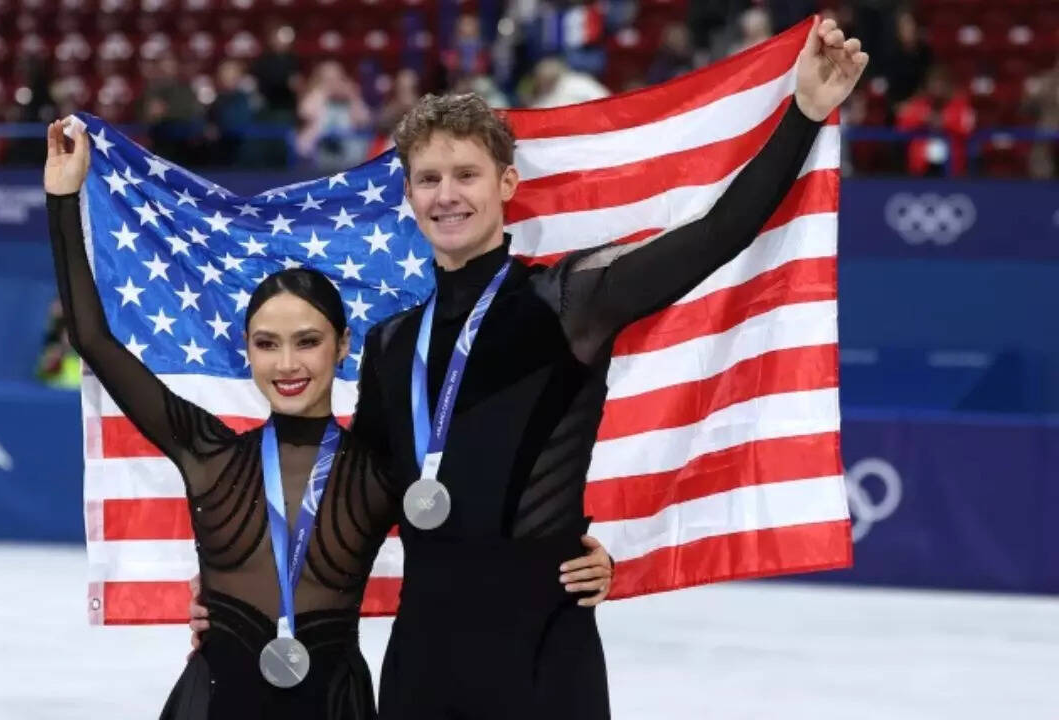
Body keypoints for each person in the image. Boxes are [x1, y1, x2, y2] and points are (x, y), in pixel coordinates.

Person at [340, 16, 863, 720]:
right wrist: (245, 604)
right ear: (408, 195)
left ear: (507, 182)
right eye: (428, 178)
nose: (446, 194)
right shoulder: (391, 346)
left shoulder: (569, 301)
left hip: (543, 650)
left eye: (466, 174)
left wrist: (802, 114)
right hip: (422, 657)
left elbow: (716, 235)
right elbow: (352, 515)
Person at [43, 120, 612, 719]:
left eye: (307, 341)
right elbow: (92, 338)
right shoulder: (207, 452)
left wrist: (572, 555)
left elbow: (479, 519)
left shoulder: (379, 471)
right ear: (248, 353)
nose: (287, 363)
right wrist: (63, 198)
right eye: (267, 343)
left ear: (342, 347)